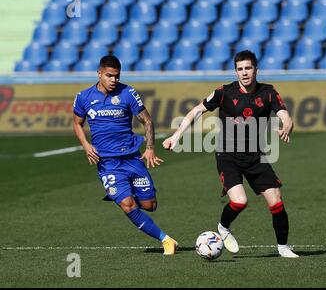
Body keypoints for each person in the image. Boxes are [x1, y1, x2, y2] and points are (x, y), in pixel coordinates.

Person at [163, 50, 298, 258]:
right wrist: (176, 136)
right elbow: (196, 111)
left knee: (276, 201)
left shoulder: (268, 92)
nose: (244, 73)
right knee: (240, 201)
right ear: (236, 71)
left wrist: (286, 126)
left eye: (248, 68)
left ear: (256, 70)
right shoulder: (224, 92)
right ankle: (223, 227)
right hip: (228, 155)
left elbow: (285, 115)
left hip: (256, 156)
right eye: (240, 69)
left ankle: (283, 247)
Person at [72, 55, 178, 255]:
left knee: (149, 205)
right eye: (109, 76)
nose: (113, 80)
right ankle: (166, 240)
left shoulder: (127, 93)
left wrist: (150, 148)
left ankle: (128, 195)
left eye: (117, 76)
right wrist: (86, 145)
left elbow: (146, 120)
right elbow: (77, 123)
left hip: (132, 158)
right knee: (127, 205)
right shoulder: (84, 97)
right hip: (107, 163)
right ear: (99, 73)